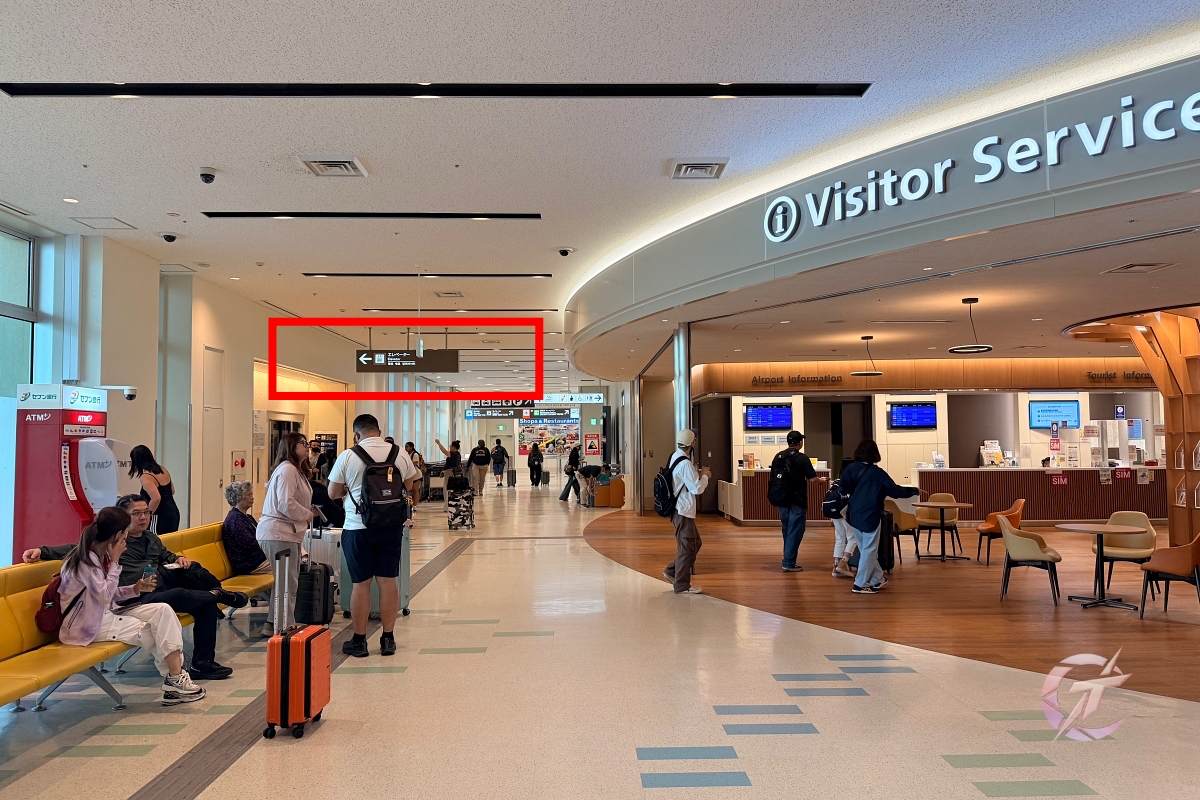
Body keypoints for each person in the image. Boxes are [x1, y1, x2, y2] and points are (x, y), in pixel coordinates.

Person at [28, 494, 244, 680]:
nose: (143, 517)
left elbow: (165, 554)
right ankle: (177, 673)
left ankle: (201, 663)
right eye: (136, 513)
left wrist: (177, 558)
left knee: (201, 598)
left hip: (152, 590)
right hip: (132, 600)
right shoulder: (112, 546)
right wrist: (41, 551)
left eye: (146, 513)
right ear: (120, 525)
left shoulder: (151, 538)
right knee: (181, 599)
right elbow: (78, 549)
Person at [58, 507, 205, 706]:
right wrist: (116, 561)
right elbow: (104, 596)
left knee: (163, 610)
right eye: (125, 533)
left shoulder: (100, 555)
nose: (126, 538)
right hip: (86, 626)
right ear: (117, 535)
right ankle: (175, 680)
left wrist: (134, 589)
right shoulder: (86, 561)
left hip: (107, 613)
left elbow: (108, 594)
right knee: (153, 631)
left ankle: (175, 679)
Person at [329, 414, 419, 658]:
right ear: (379, 431)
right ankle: (388, 639)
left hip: (358, 528)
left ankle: (359, 641)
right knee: (388, 581)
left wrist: (351, 488)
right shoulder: (399, 453)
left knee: (361, 584)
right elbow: (409, 485)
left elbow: (332, 492)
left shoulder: (348, 456)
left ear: (356, 434)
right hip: (391, 526)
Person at [839, 439, 921, 594]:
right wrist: (913, 490)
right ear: (875, 454)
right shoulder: (878, 473)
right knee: (869, 549)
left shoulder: (851, 469)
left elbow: (843, 488)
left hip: (854, 514)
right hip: (870, 514)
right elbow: (895, 491)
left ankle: (877, 578)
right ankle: (860, 584)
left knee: (865, 549)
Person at [256, 432, 315, 637]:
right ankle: (283, 626)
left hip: (286, 533)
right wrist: (308, 514)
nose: (307, 446)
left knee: (287, 581)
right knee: (286, 582)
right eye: (302, 443)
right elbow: (285, 503)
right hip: (278, 533)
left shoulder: (295, 470)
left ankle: (274, 623)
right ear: (291, 447)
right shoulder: (287, 469)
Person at [662, 430, 710, 594]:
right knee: (688, 547)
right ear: (693, 443)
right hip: (683, 510)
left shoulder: (674, 456)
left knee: (694, 543)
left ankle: (672, 571)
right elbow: (697, 489)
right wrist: (705, 476)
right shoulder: (685, 464)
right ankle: (681, 584)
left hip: (679, 509)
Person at [769, 431, 823, 573]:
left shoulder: (778, 456)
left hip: (781, 498)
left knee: (787, 529)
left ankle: (788, 558)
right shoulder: (802, 458)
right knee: (795, 530)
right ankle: (788, 562)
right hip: (797, 499)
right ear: (800, 443)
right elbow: (813, 479)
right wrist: (821, 481)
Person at [129, 444, 180, 534]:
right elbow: (172, 491)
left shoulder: (146, 477)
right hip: (173, 512)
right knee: (169, 540)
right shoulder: (162, 469)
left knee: (155, 540)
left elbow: (156, 498)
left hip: (159, 516)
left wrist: (147, 514)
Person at [222, 480, 269, 575]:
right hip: (249, 564)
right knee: (287, 563)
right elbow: (250, 544)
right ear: (239, 497)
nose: (252, 498)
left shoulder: (247, 517)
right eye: (249, 495)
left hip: (258, 560)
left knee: (290, 557)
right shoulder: (235, 519)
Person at [829, 458, 857, 578]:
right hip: (845, 512)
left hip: (835, 512)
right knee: (853, 538)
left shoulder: (836, 482)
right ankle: (843, 563)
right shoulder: (851, 482)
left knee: (840, 538)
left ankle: (836, 566)